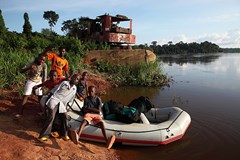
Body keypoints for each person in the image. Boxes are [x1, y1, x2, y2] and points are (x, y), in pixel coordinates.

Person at [38, 74, 80, 142]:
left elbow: (71, 100)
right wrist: (47, 101)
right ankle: (43, 136)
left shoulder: (74, 89)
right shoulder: (64, 83)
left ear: (78, 81)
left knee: (65, 117)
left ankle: (64, 134)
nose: (75, 79)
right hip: (55, 100)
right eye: (74, 77)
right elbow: (54, 90)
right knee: (51, 117)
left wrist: (66, 108)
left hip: (62, 104)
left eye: (77, 79)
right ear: (71, 78)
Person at [15, 55, 47, 119]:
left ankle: (42, 111)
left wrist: (43, 84)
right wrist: (29, 68)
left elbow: (44, 75)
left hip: (39, 81)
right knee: (26, 96)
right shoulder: (32, 63)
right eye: (41, 59)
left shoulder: (44, 65)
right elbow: (21, 71)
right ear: (37, 59)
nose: (42, 61)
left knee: (40, 96)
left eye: (43, 60)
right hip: (31, 80)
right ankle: (20, 113)